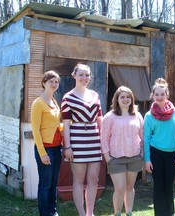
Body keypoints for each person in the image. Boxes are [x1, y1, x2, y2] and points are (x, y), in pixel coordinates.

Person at [61, 63, 102, 216]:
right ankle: (81, 213)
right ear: (74, 75)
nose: (84, 78)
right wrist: (68, 147)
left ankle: (90, 213)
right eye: (81, 74)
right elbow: (66, 125)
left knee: (94, 179)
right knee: (78, 180)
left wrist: (103, 141)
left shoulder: (95, 95)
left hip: (94, 138)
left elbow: (100, 119)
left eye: (87, 75)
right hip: (77, 139)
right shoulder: (67, 97)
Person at [101, 86, 144, 216]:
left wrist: (141, 154)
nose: (125, 99)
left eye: (128, 97)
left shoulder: (137, 116)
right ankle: (117, 213)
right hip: (116, 159)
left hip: (134, 158)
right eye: (122, 97)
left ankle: (129, 212)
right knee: (119, 188)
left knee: (130, 187)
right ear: (117, 100)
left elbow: (143, 136)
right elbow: (103, 138)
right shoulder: (110, 116)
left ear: (132, 99)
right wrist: (108, 158)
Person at [143, 78, 175, 216]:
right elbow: (146, 139)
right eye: (157, 94)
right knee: (158, 186)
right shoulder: (148, 116)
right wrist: (147, 159)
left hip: (172, 155)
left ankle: (170, 213)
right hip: (156, 154)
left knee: (169, 186)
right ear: (153, 96)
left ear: (167, 94)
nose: (159, 97)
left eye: (162, 94)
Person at [31, 70, 62, 216]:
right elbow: (36, 130)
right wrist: (42, 153)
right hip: (46, 149)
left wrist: (69, 125)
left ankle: (53, 212)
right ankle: (45, 213)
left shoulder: (54, 102)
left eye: (56, 82)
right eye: (51, 81)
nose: (54, 84)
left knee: (54, 183)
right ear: (44, 83)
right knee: (45, 184)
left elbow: (55, 125)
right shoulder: (38, 103)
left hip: (57, 148)